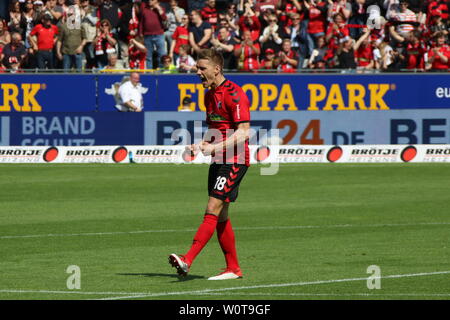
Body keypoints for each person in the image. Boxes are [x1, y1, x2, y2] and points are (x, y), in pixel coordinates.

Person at [169, 48, 251, 280]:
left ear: (217, 69)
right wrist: (201, 144)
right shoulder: (208, 94)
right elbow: (216, 129)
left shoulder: (234, 94)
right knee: (222, 213)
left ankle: (187, 259)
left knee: (212, 207)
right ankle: (233, 268)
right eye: (197, 68)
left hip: (236, 159)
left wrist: (214, 148)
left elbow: (244, 132)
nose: (197, 72)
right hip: (219, 158)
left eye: (202, 68)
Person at [56, 5, 86, 72]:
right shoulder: (63, 26)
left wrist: (81, 46)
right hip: (66, 52)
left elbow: (85, 39)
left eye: (72, 14)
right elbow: (59, 40)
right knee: (65, 72)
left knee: (79, 72)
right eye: (69, 14)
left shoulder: (80, 25)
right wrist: (58, 52)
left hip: (77, 52)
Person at [139, 0, 167, 69]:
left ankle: (161, 69)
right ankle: (149, 72)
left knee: (162, 54)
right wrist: (140, 33)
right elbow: (141, 22)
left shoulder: (160, 9)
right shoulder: (144, 10)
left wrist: (158, 8)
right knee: (148, 55)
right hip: (147, 35)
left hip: (159, 34)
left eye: (151, 0)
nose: (149, 1)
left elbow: (164, 18)